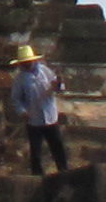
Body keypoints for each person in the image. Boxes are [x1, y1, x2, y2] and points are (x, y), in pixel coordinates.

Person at [9, 40, 70, 176]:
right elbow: (16, 99)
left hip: (49, 117)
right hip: (34, 120)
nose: (27, 65)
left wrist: (58, 84)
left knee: (57, 146)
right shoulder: (20, 79)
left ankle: (64, 171)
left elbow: (59, 88)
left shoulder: (45, 71)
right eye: (24, 63)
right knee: (35, 151)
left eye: (28, 62)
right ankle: (37, 175)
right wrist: (22, 112)